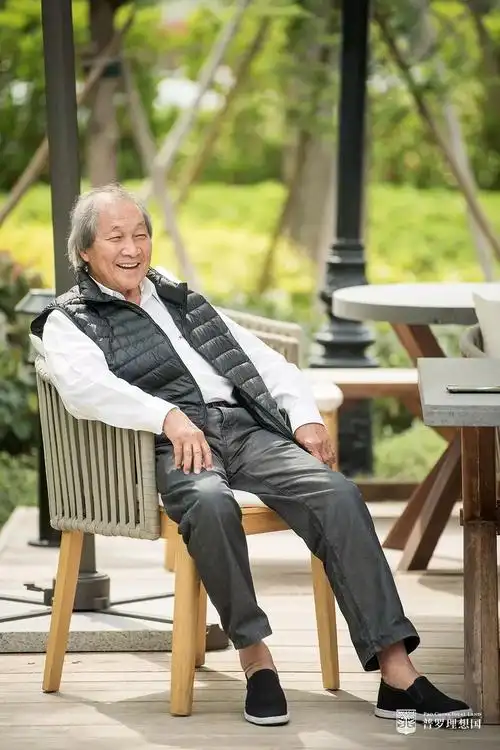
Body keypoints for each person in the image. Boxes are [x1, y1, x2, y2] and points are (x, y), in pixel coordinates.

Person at [30, 184, 471, 728]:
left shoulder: (180, 298)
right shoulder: (70, 319)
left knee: (336, 493)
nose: (132, 248)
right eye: (115, 237)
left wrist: (305, 416)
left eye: (140, 234)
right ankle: (256, 660)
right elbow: (84, 389)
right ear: (84, 251)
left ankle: (396, 672)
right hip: (171, 442)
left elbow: (264, 361)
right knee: (211, 504)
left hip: (244, 428)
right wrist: (166, 416)